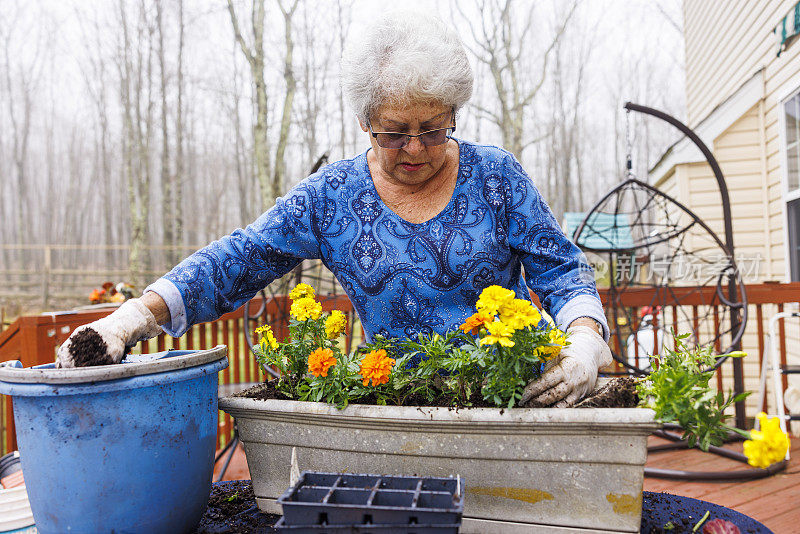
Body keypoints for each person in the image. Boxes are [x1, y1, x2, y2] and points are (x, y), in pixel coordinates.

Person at [56, 10, 611, 408]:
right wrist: (133, 316)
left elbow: (560, 269)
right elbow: (238, 259)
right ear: (365, 121)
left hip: (518, 399)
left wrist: (585, 338)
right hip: (400, 407)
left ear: (453, 114)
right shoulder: (331, 197)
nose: (415, 148)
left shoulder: (495, 176)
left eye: (433, 129)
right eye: (393, 132)